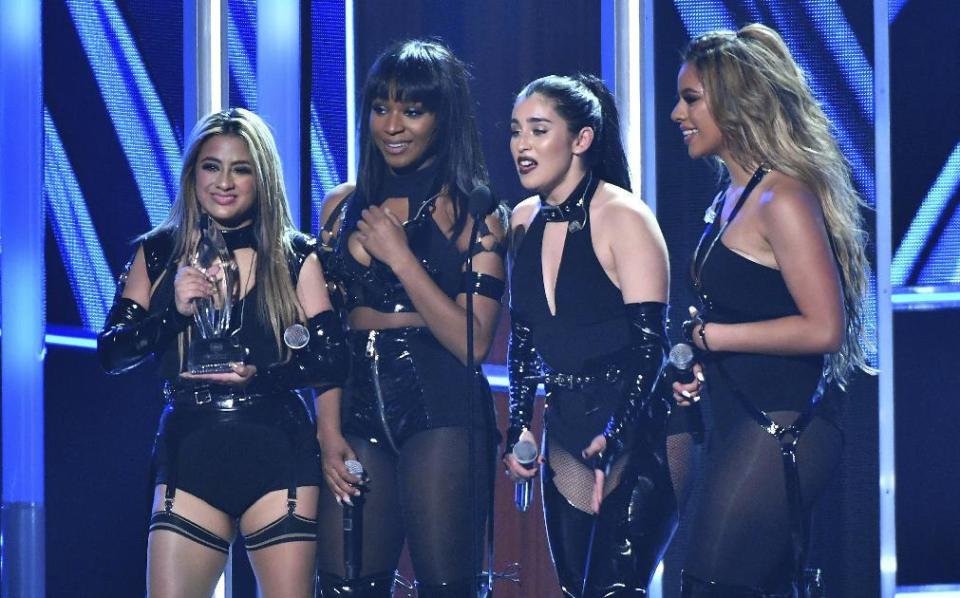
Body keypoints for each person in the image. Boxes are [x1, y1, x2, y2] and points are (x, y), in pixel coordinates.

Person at [98, 107, 346, 598]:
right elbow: (111, 353)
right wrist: (173, 312)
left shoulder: (295, 254)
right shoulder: (159, 252)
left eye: (241, 168)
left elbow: (332, 357)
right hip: (191, 452)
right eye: (212, 166)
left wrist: (263, 376)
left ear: (262, 176)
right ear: (193, 174)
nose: (224, 182)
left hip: (277, 452)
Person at [669, 24, 873, 597]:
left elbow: (824, 326)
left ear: (733, 104)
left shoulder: (779, 197)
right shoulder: (731, 196)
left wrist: (713, 339)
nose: (676, 114)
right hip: (738, 418)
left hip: (783, 423)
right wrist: (704, 359)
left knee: (708, 585)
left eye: (690, 99)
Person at [314, 39, 507, 597]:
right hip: (353, 408)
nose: (393, 125)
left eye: (412, 110)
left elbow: (473, 344)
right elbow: (323, 332)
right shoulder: (340, 207)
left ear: (442, 117)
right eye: (381, 108)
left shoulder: (475, 211)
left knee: (447, 587)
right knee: (344, 586)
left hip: (441, 410)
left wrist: (400, 256)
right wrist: (327, 429)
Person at [503, 74, 678, 598]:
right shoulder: (522, 220)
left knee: (615, 589)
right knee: (580, 590)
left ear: (581, 139)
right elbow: (524, 340)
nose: (522, 146)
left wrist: (617, 431)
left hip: (643, 425)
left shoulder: (623, 217)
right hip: (568, 430)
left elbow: (652, 349)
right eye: (515, 131)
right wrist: (518, 425)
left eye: (538, 130)